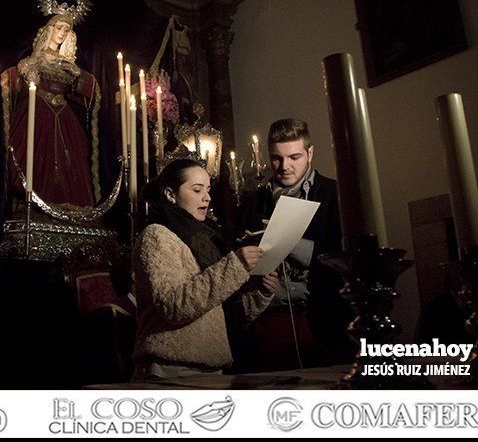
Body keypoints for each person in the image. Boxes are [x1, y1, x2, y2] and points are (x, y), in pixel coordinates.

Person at [131, 158, 280, 381]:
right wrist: (235, 266)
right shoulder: (157, 235)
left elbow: (221, 312)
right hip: (170, 369)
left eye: (208, 190)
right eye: (197, 189)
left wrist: (260, 292)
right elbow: (174, 307)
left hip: (212, 369)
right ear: (170, 194)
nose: (207, 197)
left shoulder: (208, 238)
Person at [233, 118, 352, 370]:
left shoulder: (336, 194)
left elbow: (345, 257)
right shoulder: (252, 204)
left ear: (310, 153)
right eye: (276, 158)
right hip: (267, 327)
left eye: (294, 157)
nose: (284, 166)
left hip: (327, 322)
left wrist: (287, 240)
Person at [0, 13, 100, 207]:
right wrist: (17, 75)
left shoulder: (70, 64)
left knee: (72, 161)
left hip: (63, 114)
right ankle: (31, 205)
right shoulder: (36, 59)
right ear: (49, 29)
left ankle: (70, 209)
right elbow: (15, 78)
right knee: (34, 157)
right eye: (59, 27)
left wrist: (78, 74)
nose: (62, 33)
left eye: (67, 29)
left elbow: (89, 92)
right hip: (37, 111)